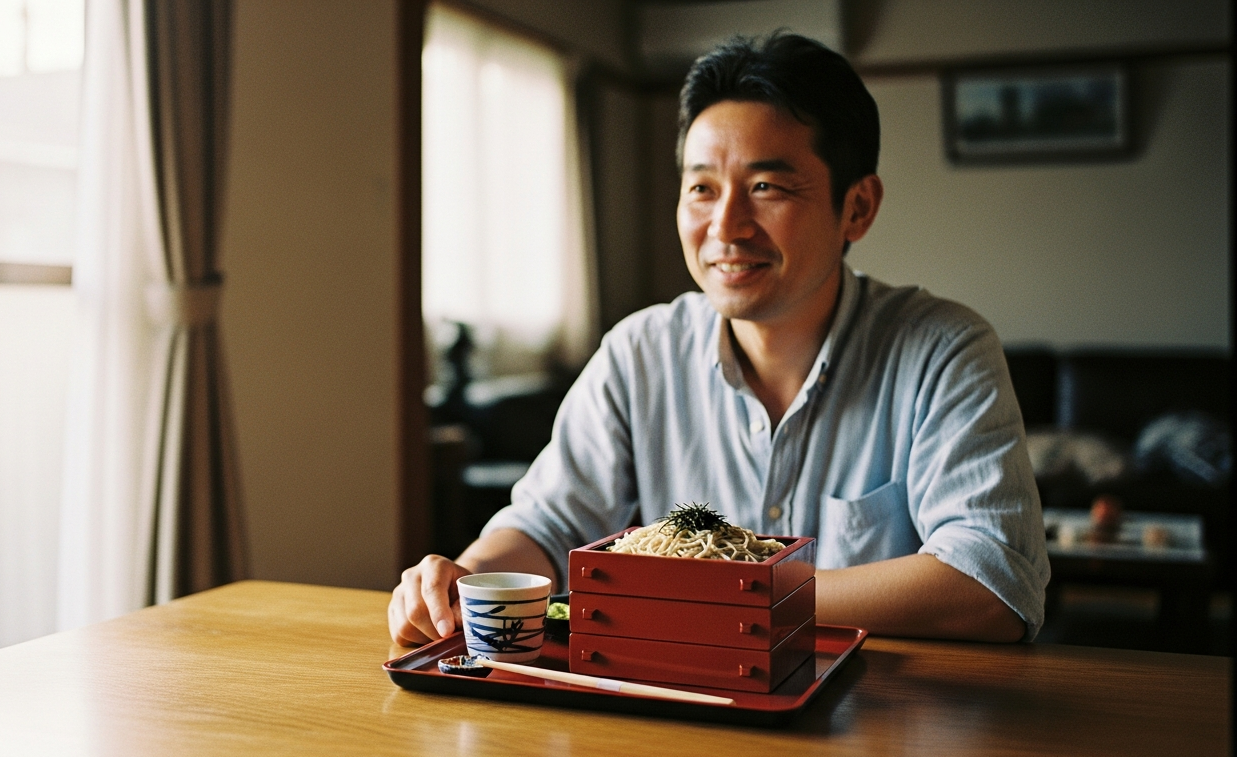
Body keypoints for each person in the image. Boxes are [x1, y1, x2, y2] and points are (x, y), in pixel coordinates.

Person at [390, 33, 1049, 647]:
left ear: (857, 207)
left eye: (766, 187)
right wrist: (464, 580)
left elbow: (990, 582)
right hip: (673, 706)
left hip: (875, 713)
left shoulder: (942, 350)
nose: (726, 226)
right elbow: (545, 526)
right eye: (702, 188)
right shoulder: (639, 354)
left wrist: (730, 595)